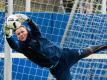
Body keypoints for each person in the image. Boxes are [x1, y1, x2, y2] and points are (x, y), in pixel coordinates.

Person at [4, 14, 107, 80]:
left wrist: (28, 19)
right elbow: (13, 45)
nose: (21, 34)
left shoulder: (35, 35)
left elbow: (34, 27)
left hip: (65, 55)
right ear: (17, 37)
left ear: (26, 30)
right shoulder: (23, 48)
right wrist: (8, 36)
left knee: (88, 51)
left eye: (22, 31)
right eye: (18, 34)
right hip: (58, 69)